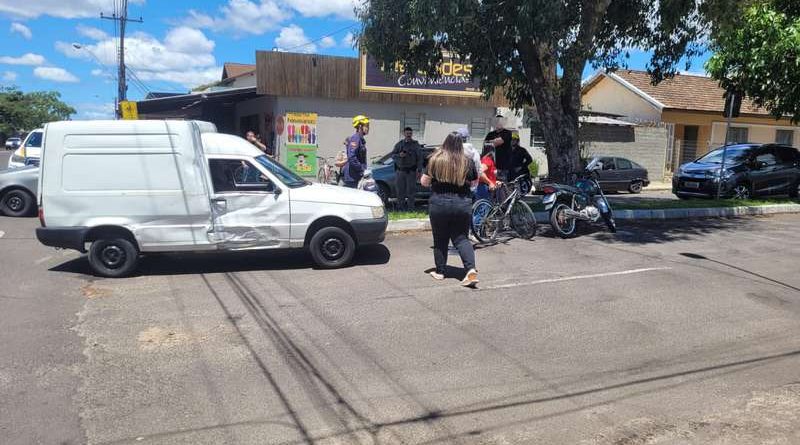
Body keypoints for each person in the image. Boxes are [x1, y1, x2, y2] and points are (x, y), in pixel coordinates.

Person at [420, 133, 479, 287]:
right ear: (461, 145)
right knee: (461, 238)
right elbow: (473, 183)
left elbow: (424, 182)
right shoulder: (467, 162)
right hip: (462, 203)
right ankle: (471, 270)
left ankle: (440, 272)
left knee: (440, 238)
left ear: (445, 143)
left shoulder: (435, 159)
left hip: (439, 203)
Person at [391, 127, 423, 210]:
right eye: (407, 133)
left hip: (411, 172)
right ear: (404, 134)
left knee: (411, 192)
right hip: (400, 171)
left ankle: (411, 209)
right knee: (400, 191)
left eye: (410, 133)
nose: (409, 135)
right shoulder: (399, 144)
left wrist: (419, 170)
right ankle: (400, 208)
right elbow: (393, 155)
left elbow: (420, 158)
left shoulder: (415, 145)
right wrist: (399, 155)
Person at [484, 112, 513, 181]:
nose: (498, 123)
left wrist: (492, 141)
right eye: (497, 121)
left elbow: (498, 142)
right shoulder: (490, 134)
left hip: (504, 166)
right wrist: (495, 141)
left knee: (502, 185)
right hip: (492, 165)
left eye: (500, 121)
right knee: (492, 185)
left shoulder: (508, 133)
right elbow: (486, 144)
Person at [343, 115, 369, 188]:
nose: (368, 128)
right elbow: (352, 157)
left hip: (356, 175)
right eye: (366, 126)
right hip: (352, 177)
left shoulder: (361, 139)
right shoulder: (355, 138)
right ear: (360, 126)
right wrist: (361, 169)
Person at [455, 128, 481, 193]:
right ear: (467, 138)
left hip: (452, 186)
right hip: (470, 187)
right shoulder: (475, 152)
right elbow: (478, 169)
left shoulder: (452, 151)